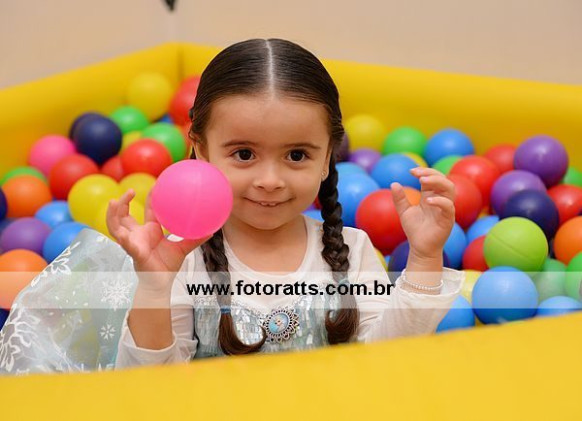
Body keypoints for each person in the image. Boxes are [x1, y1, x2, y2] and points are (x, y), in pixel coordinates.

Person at [0, 38, 463, 375]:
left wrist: (424, 257)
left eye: (297, 155)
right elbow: (151, 385)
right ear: (200, 150)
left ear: (328, 157)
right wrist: (154, 288)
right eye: (243, 154)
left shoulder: (352, 250)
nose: (270, 180)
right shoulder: (182, 258)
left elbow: (385, 360)